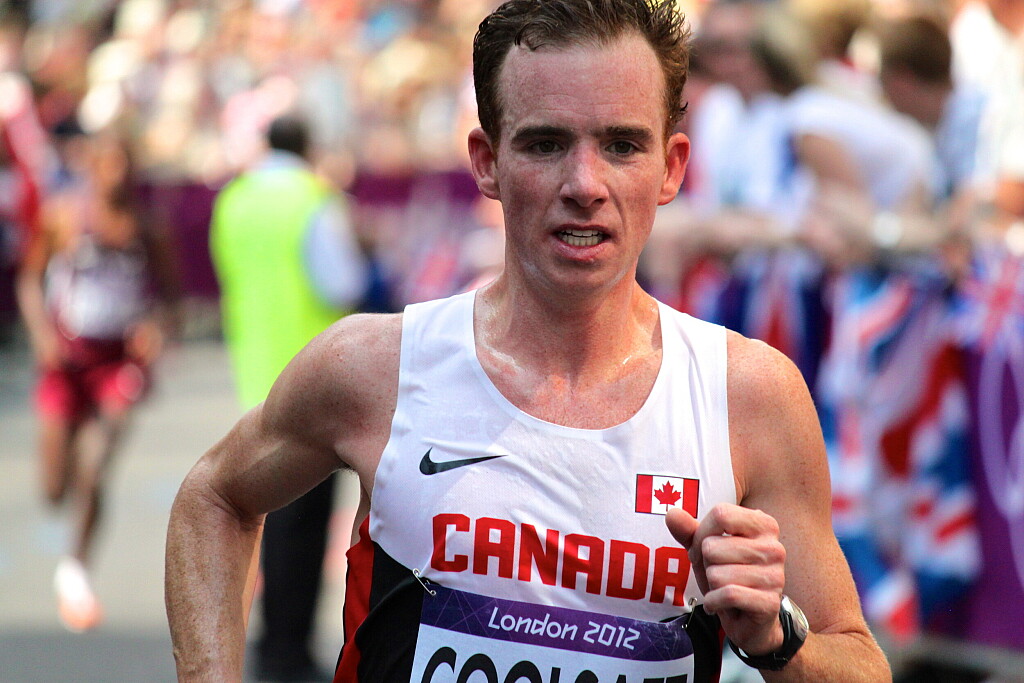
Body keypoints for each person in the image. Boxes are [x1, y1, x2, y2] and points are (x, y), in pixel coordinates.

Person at [166, 1, 890, 680]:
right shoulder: (378, 367)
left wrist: (777, 635)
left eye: (622, 146)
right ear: (487, 161)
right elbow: (214, 498)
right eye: (546, 144)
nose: (585, 184)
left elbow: (860, 661)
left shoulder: (747, 395)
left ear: (671, 168)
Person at [208, 114, 368, 682]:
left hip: (254, 368)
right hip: (312, 377)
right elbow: (342, 282)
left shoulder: (234, 199)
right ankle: (286, 650)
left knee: (270, 515)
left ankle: (273, 645)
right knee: (300, 525)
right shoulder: (313, 199)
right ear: (307, 148)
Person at [17, 130, 179, 632]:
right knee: (54, 488)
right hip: (66, 359)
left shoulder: (147, 228)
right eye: (108, 166)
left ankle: (76, 569)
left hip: (117, 362)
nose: (117, 176)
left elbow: (172, 297)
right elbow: (28, 280)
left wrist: (157, 329)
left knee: (96, 462)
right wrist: (42, 335)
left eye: (125, 166)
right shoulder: (64, 216)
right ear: (91, 168)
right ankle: (68, 506)